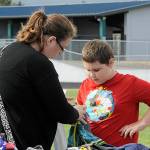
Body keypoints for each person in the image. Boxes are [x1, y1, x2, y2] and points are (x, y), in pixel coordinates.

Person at [0, 10, 85, 150]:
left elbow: (21, 94)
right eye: (62, 49)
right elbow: (62, 113)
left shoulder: (6, 50)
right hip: (23, 142)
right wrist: (76, 112)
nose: (59, 54)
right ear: (51, 40)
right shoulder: (39, 62)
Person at [76, 39, 150, 146]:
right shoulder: (85, 84)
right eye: (88, 70)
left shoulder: (130, 83)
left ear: (111, 63)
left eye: (96, 70)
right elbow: (81, 116)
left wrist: (143, 122)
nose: (91, 75)